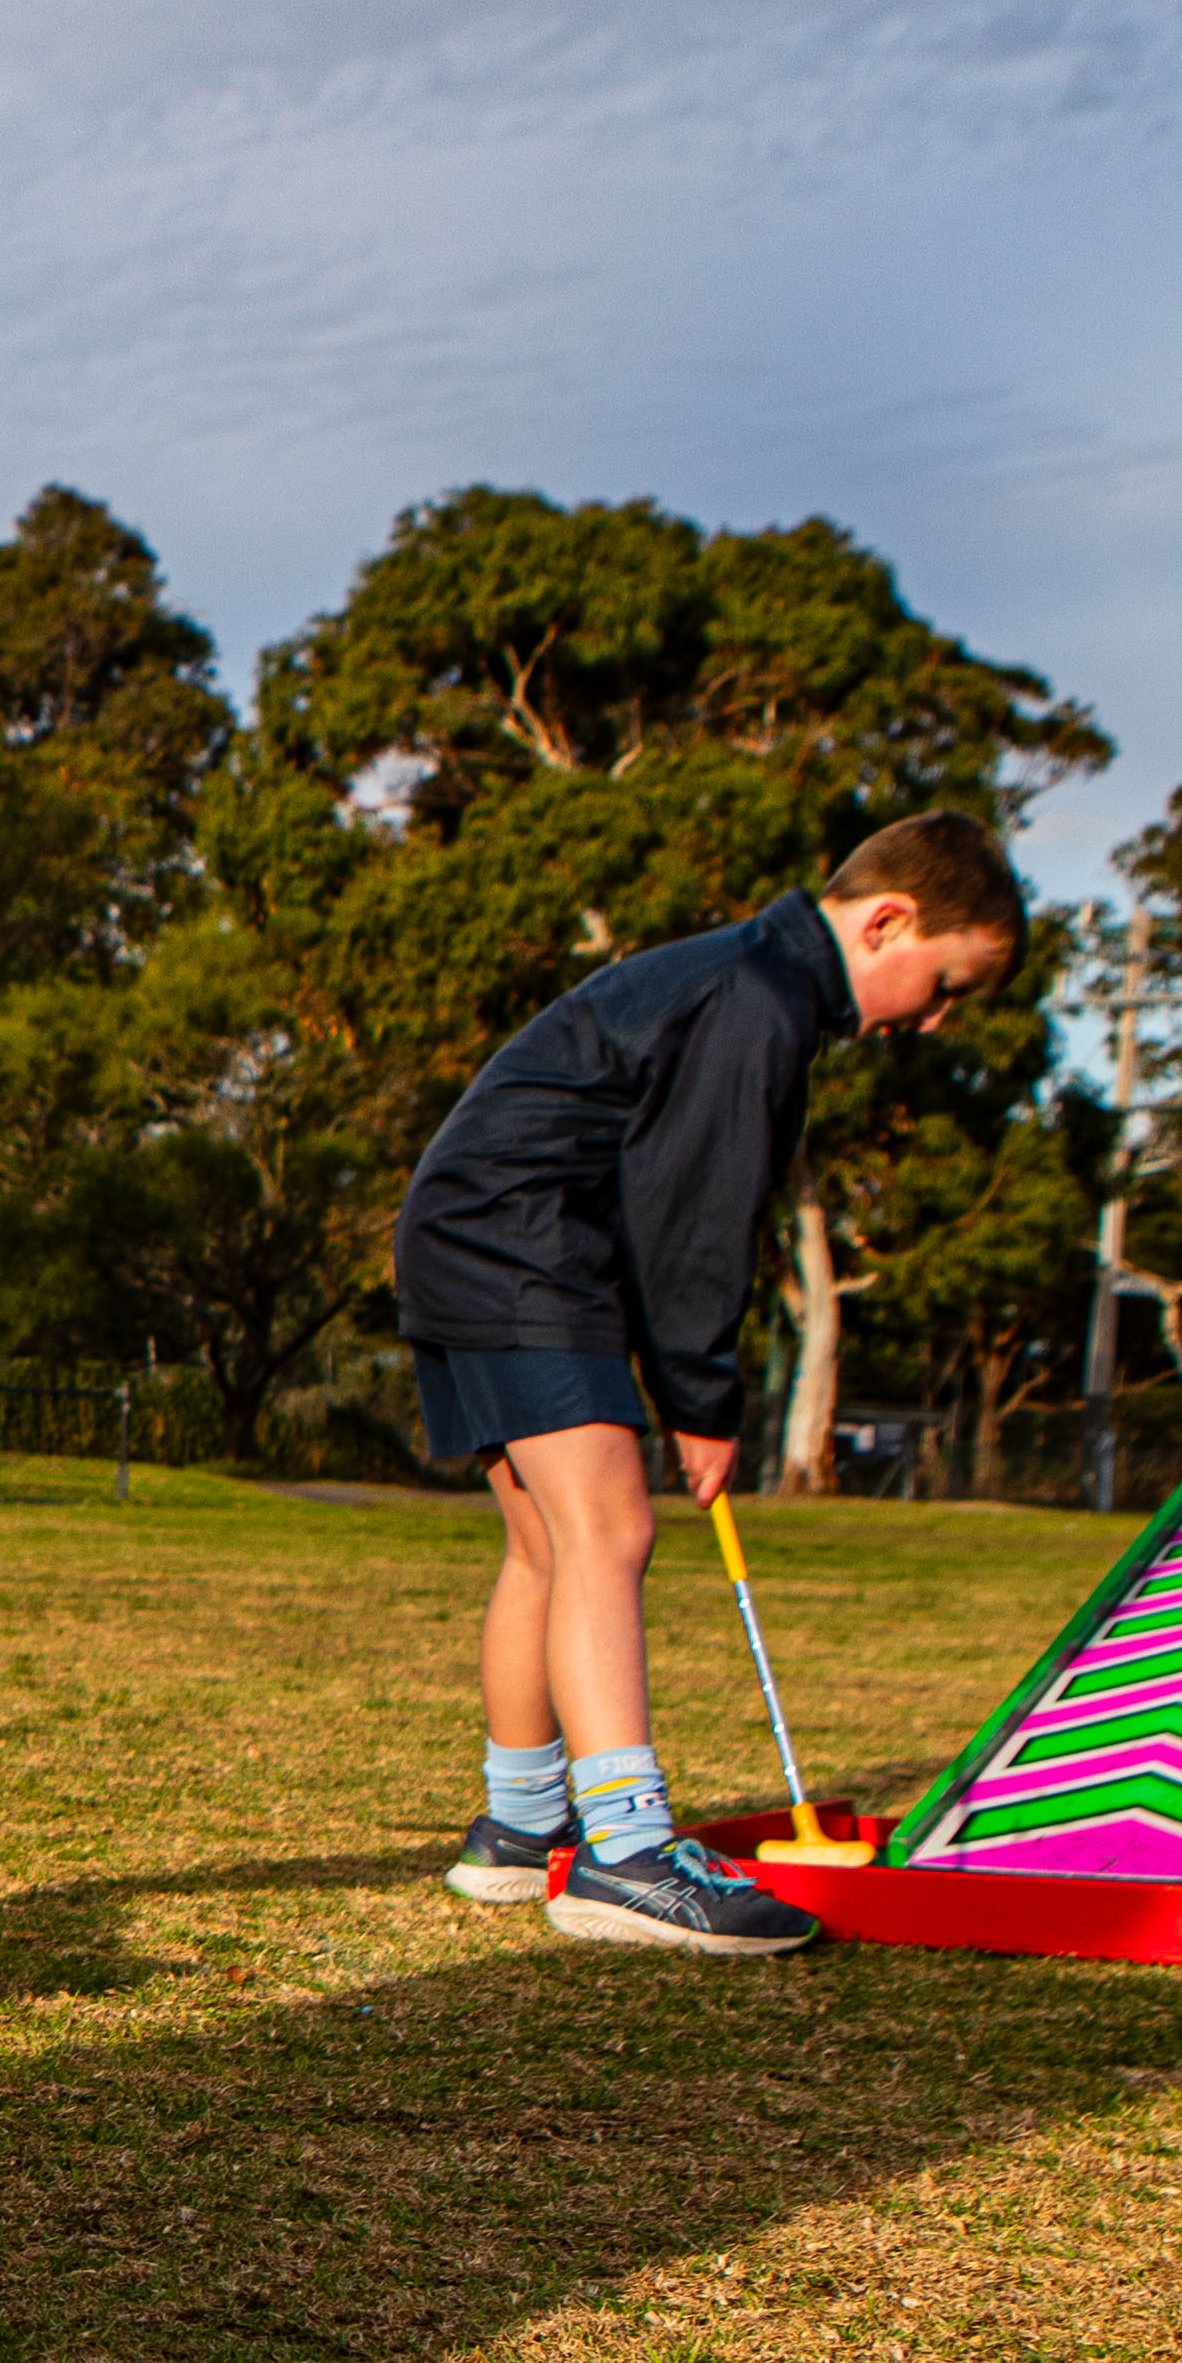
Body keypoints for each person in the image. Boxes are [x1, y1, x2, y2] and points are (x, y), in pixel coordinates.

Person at [395, 815, 1029, 1956]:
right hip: (518, 1241)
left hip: (475, 1229)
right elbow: (695, 1215)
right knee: (609, 1528)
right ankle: (626, 1853)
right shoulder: (762, 997)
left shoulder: (750, 979)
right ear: (887, 922)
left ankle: (519, 1829)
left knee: (546, 1542)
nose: (935, 1018)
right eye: (945, 985)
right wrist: (702, 1398)